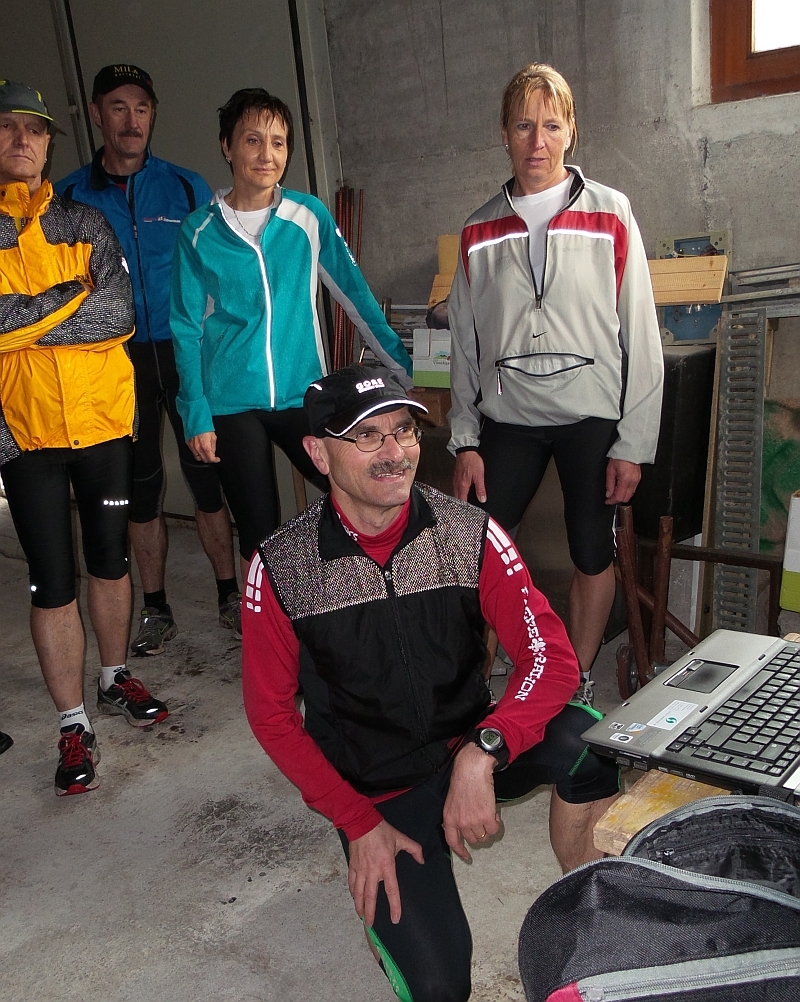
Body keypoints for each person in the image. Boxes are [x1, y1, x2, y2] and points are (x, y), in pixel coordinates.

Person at [242, 364, 620, 1002]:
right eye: (368, 437)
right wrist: (357, 824)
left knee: (590, 740)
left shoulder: (469, 532)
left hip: (467, 748)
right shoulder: (281, 566)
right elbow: (272, 717)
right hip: (379, 794)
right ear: (316, 452)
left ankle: (595, 914)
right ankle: (387, 888)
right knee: (441, 986)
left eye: (404, 432)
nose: (395, 453)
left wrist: (488, 747)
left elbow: (551, 658)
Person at [449, 63, 663, 705]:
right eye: (522, 125)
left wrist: (634, 442)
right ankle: (480, 683)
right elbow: (463, 343)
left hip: (590, 417)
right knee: (478, 552)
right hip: (508, 418)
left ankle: (576, 678)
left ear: (571, 131)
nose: (536, 141)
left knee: (591, 550)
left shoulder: (611, 212)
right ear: (504, 135)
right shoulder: (478, 230)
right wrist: (465, 437)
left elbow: (642, 336)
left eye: (550, 124)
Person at [0, 80, 168, 796]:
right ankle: (73, 721)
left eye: (33, 132)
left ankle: (113, 675)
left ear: (49, 143)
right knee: (52, 582)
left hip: (103, 425)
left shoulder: (85, 220)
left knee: (108, 561)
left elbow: (119, 312)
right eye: (7, 129)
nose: (22, 142)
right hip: (26, 434)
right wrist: (71, 299)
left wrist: (28, 323)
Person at [170, 89, 412, 578]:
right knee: (259, 528)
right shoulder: (198, 232)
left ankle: (367, 592)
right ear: (227, 146)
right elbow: (185, 327)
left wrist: (398, 367)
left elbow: (355, 296)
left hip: (305, 394)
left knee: (356, 488)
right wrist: (195, 412)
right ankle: (269, 627)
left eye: (278, 143)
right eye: (253, 140)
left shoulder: (307, 216)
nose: (267, 154)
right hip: (232, 403)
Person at [56, 65, 240, 655]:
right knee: (142, 489)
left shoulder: (187, 189)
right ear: (96, 114)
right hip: (116, 361)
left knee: (208, 484)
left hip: (186, 354)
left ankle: (229, 592)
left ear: (152, 114)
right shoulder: (69, 198)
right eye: (118, 106)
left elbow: (221, 271)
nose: (131, 119)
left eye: (141, 107)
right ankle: (156, 608)